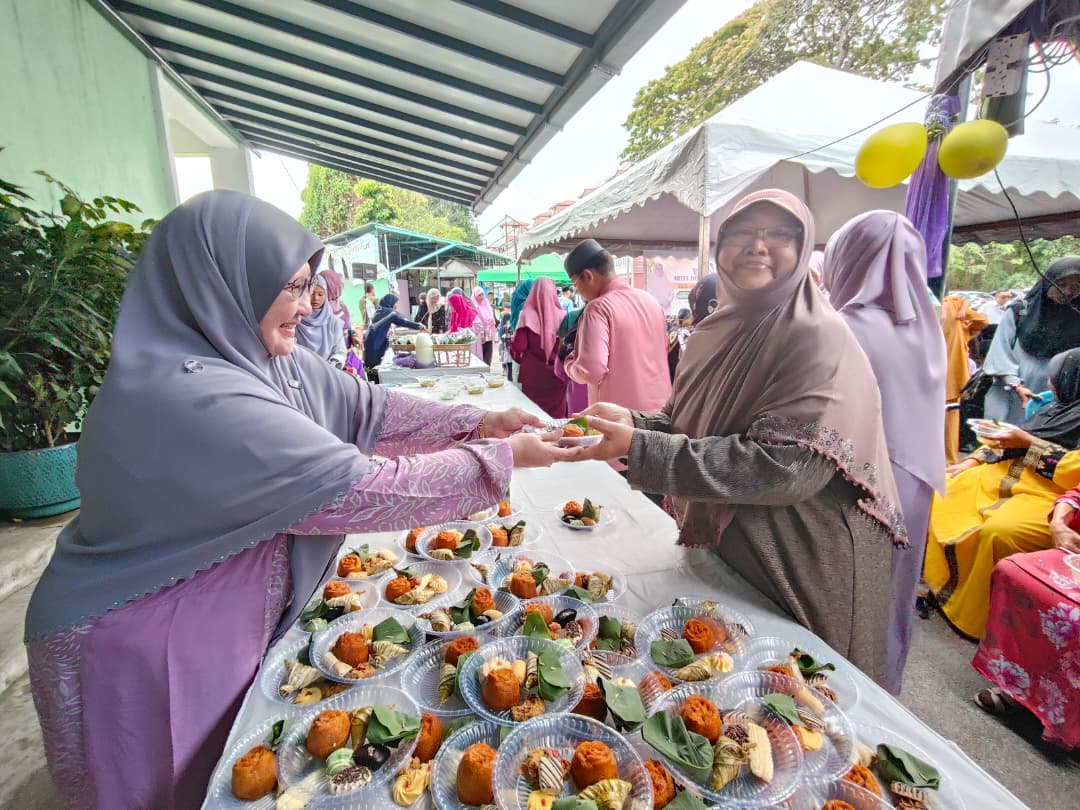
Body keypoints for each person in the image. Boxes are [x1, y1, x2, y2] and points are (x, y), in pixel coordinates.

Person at [22, 191, 576, 809]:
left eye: (310, 285)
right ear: (224, 283)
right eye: (288, 286)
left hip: (214, 608)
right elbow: (356, 489)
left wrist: (478, 423)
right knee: (165, 786)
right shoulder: (194, 398)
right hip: (140, 634)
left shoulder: (264, 357)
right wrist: (503, 458)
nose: (306, 305)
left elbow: (370, 407)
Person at [573, 190, 905, 686]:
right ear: (720, 246)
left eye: (779, 235)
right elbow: (686, 422)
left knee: (796, 700)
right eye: (744, 233)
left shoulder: (817, 335)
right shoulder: (716, 330)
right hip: (732, 546)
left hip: (799, 556)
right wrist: (633, 424)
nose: (758, 246)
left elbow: (787, 468)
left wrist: (640, 448)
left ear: (803, 248)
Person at [822, 210, 947, 694]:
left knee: (850, 597)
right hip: (914, 486)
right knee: (893, 598)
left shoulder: (844, 325)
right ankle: (886, 689)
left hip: (860, 482)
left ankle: (843, 698)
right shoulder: (925, 325)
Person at [924, 347, 1080, 639]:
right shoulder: (1054, 408)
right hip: (1005, 475)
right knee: (940, 491)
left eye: (1055, 379)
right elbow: (1011, 436)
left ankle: (976, 616)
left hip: (1052, 496)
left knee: (997, 531)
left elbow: (1072, 471)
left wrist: (1028, 442)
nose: (1048, 385)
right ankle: (936, 582)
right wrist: (972, 459)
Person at [562, 239, 671, 415]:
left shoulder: (598, 308)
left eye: (575, 284)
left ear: (588, 276)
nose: (578, 293)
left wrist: (570, 365)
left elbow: (591, 371)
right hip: (659, 415)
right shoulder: (651, 301)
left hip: (619, 421)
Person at [983, 258, 1080, 425]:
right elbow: (999, 353)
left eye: (1075, 287)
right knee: (1002, 444)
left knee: (1038, 447)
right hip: (1012, 394)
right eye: (1060, 284)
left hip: (1054, 403)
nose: (1067, 292)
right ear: (1046, 282)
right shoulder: (1020, 311)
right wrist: (1016, 385)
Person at [510, 277, 569, 418]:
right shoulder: (564, 316)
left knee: (533, 415)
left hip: (533, 374)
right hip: (556, 373)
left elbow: (520, 345)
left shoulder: (526, 315)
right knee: (557, 413)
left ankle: (536, 440)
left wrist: (514, 352)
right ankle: (557, 438)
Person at [942, 295, 989, 464]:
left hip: (934, 374)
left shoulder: (944, 307)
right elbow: (982, 320)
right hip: (951, 377)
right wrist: (963, 310)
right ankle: (949, 462)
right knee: (950, 420)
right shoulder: (953, 307)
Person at [362, 293, 422, 383]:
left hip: (369, 343)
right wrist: (420, 326)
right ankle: (378, 388)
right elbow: (402, 322)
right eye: (396, 303)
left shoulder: (380, 310)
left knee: (371, 367)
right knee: (376, 368)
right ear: (391, 303)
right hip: (376, 344)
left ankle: (373, 386)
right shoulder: (389, 313)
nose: (397, 305)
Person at [295, 274, 347, 368]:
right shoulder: (296, 320)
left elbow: (340, 351)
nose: (316, 298)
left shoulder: (333, 322)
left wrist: (330, 366)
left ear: (326, 295)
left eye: (320, 294)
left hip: (327, 372)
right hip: (300, 370)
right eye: (312, 293)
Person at [471, 285, 499, 366]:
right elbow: (476, 321)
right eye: (479, 295)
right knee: (481, 353)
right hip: (480, 334)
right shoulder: (474, 306)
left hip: (489, 334)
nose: (481, 297)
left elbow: (491, 316)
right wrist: (482, 332)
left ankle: (488, 368)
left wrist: (493, 321)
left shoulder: (486, 303)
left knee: (488, 352)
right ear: (475, 296)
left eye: (482, 294)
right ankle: (482, 369)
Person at [666, 308, 693, 383]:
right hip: (679, 365)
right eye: (690, 317)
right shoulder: (684, 332)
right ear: (686, 319)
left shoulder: (671, 330)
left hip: (669, 363)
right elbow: (686, 351)